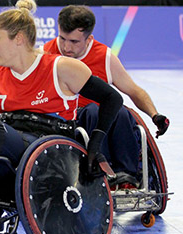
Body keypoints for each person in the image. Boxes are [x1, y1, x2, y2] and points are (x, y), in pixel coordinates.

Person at [0, 0, 123, 226]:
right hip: (10, 138)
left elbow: (112, 98)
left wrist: (95, 143)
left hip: (47, 148)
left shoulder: (61, 67)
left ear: (18, 39)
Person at [43, 5, 170, 189]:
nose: (66, 47)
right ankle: (103, 173)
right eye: (62, 38)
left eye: (74, 41)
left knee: (120, 110)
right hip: (68, 120)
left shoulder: (104, 57)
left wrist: (155, 115)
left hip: (103, 117)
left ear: (89, 39)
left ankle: (126, 176)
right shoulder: (47, 53)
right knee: (94, 111)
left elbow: (133, 91)